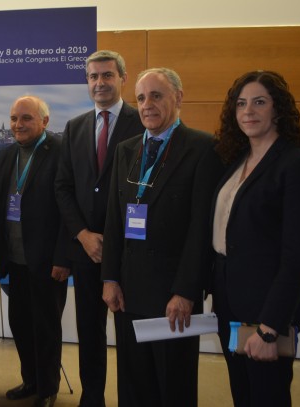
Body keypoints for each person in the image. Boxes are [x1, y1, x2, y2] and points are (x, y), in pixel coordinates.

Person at [101, 68, 224, 407]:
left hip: (173, 296)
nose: (147, 105)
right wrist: (109, 277)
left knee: (173, 384)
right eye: (141, 98)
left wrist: (185, 291)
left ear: (178, 98)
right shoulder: (127, 150)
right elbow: (113, 219)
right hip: (128, 291)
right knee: (133, 383)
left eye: (156, 95)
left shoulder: (203, 148)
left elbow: (202, 228)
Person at [211, 70, 300, 407]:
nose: (249, 111)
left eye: (259, 102)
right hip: (229, 308)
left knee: (267, 398)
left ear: (278, 109)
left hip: (265, 315)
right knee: (243, 395)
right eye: (241, 103)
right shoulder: (236, 161)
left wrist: (270, 327)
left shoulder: (297, 165)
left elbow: (296, 260)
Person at [54, 50, 144, 407]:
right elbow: (63, 187)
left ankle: (133, 399)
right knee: (90, 333)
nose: (99, 83)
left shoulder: (143, 123)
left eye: (107, 75)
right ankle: (92, 398)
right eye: (93, 76)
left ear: (122, 77)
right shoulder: (75, 127)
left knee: (129, 335)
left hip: (128, 252)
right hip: (86, 250)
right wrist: (82, 235)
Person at [0, 96, 69, 407]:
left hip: (47, 260)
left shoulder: (60, 152)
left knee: (46, 328)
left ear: (44, 122)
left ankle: (48, 388)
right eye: (13, 118)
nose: (17, 125)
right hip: (15, 257)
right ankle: (31, 380)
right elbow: (0, 203)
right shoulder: (7, 152)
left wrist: (63, 257)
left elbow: (69, 210)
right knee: (20, 325)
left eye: (25, 118)